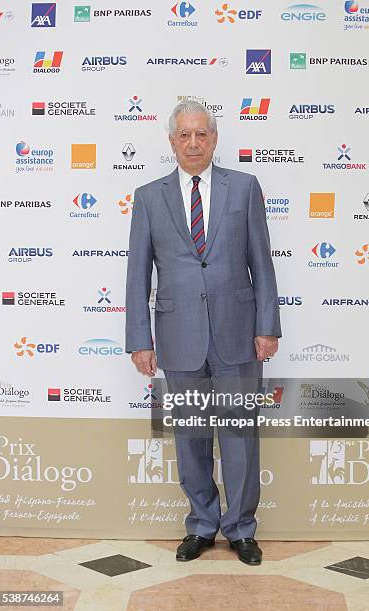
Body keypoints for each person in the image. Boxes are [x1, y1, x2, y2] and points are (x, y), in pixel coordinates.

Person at [125, 101, 281, 565]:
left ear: (214, 139)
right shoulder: (149, 196)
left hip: (238, 334)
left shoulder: (245, 188)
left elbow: (262, 261)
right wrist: (140, 339)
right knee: (190, 435)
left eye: (202, 135)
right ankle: (201, 525)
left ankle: (241, 530)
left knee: (238, 434)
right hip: (178, 335)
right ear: (171, 141)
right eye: (185, 136)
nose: (194, 143)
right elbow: (138, 274)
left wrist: (267, 326)